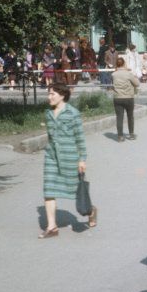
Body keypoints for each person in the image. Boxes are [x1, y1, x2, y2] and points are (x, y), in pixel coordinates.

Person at [40, 83, 96, 238]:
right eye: (48, 94)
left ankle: (91, 211)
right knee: (48, 189)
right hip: (51, 157)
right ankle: (52, 227)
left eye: (52, 94)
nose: (49, 97)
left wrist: (82, 159)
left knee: (76, 191)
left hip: (69, 157)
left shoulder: (73, 113)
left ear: (62, 95)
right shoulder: (48, 113)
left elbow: (80, 138)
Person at [111, 56, 139, 142]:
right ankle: (131, 134)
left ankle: (120, 136)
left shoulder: (113, 74)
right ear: (124, 64)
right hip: (128, 98)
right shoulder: (128, 74)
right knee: (130, 116)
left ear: (116, 64)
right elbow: (136, 83)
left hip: (118, 98)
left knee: (119, 117)